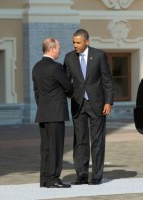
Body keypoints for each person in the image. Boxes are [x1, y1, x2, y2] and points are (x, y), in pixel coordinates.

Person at [63, 29, 114, 185]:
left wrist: (108, 102)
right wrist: (70, 94)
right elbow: (65, 81)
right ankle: (82, 175)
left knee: (97, 141)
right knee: (80, 141)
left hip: (97, 104)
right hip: (78, 105)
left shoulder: (99, 55)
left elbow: (107, 80)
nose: (75, 45)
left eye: (78, 42)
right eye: (73, 42)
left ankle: (97, 175)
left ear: (87, 42)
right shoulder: (69, 58)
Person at [32, 38, 73, 188]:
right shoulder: (56, 67)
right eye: (58, 48)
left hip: (43, 112)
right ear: (52, 49)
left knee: (46, 148)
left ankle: (44, 179)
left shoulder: (36, 67)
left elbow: (36, 92)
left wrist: (43, 106)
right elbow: (68, 87)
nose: (60, 50)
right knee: (56, 146)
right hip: (56, 113)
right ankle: (54, 179)